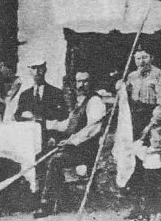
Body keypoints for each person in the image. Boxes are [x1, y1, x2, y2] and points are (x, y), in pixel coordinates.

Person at [34, 72, 107, 217]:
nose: (81, 85)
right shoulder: (80, 101)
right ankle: (60, 199)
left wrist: (71, 141)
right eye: (78, 82)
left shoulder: (95, 101)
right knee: (41, 154)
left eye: (85, 81)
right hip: (74, 148)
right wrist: (45, 123)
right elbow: (67, 124)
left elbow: (92, 129)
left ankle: (46, 203)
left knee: (55, 160)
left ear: (91, 83)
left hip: (86, 150)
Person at [124, 126, 161, 221]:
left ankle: (159, 215)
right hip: (149, 176)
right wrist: (142, 138)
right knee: (149, 196)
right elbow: (133, 149)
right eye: (155, 141)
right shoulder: (146, 150)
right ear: (150, 139)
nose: (158, 144)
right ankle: (151, 215)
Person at [122, 49, 161, 143]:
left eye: (145, 57)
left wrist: (152, 123)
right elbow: (125, 96)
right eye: (138, 59)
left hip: (152, 116)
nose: (141, 61)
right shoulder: (132, 76)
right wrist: (121, 87)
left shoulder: (160, 75)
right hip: (135, 117)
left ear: (151, 58)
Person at [12, 60, 67, 143]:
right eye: (34, 68)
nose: (37, 71)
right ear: (30, 71)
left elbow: (62, 117)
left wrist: (54, 136)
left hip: (49, 137)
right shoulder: (25, 95)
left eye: (40, 68)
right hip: (28, 137)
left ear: (45, 69)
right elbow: (17, 116)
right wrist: (29, 118)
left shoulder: (56, 92)